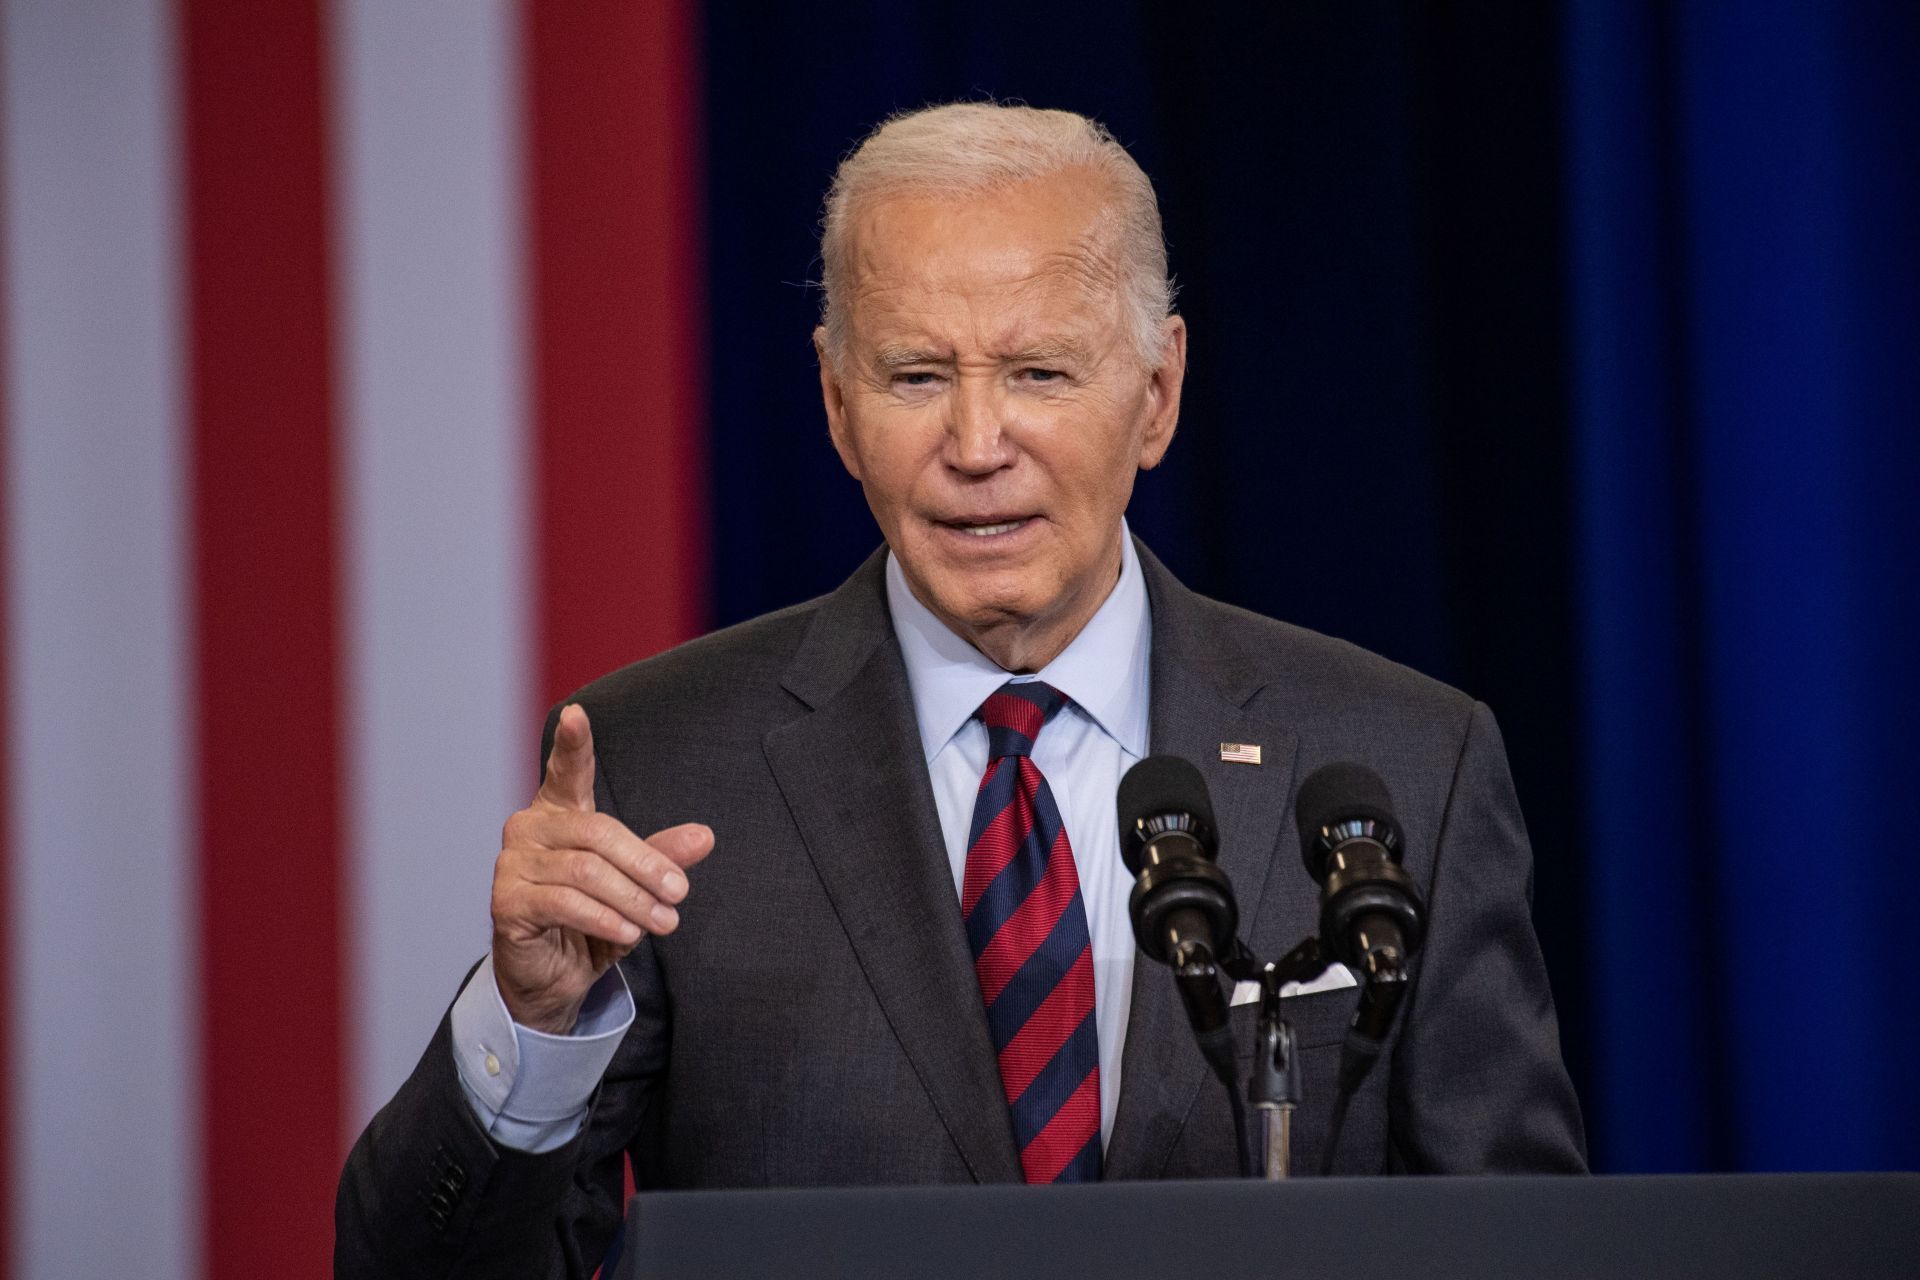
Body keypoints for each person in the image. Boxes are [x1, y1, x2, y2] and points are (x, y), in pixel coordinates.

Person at [335, 102, 1585, 1276]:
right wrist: (533, 1024)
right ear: (835, 400)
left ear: (1157, 393)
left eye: (1040, 372)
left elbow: (1525, 1248)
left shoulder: (1403, 761)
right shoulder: (664, 762)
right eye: (916, 376)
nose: (978, 445)